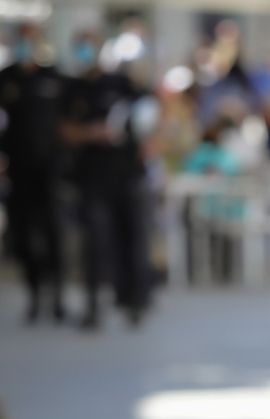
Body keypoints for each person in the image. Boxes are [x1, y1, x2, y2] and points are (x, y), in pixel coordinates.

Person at [61, 32, 155, 329]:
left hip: (128, 176)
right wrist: (92, 134)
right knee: (96, 243)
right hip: (92, 178)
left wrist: (147, 143)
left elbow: (152, 116)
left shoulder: (121, 84)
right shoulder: (72, 88)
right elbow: (63, 129)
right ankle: (93, 303)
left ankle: (134, 301)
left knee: (133, 239)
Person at [0, 24, 70, 324]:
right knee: (24, 235)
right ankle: (34, 294)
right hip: (19, 171)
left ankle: (57, 295)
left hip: (51, 172)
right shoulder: (7, 78)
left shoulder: (54, 78)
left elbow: (68, 123)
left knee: (54, 233)